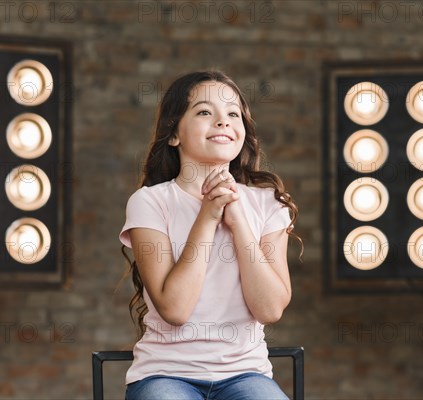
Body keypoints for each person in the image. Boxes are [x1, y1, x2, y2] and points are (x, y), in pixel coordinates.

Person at [119, 70, 302, 400]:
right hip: (165, 374)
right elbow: (175, 310)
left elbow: (270, 309)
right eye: (205, 112)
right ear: (174, 134)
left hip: (245, 374)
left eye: (233, 114)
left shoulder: (268, 204)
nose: (223, 122)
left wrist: (239, 222)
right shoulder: (149, 202)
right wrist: (207, 217)